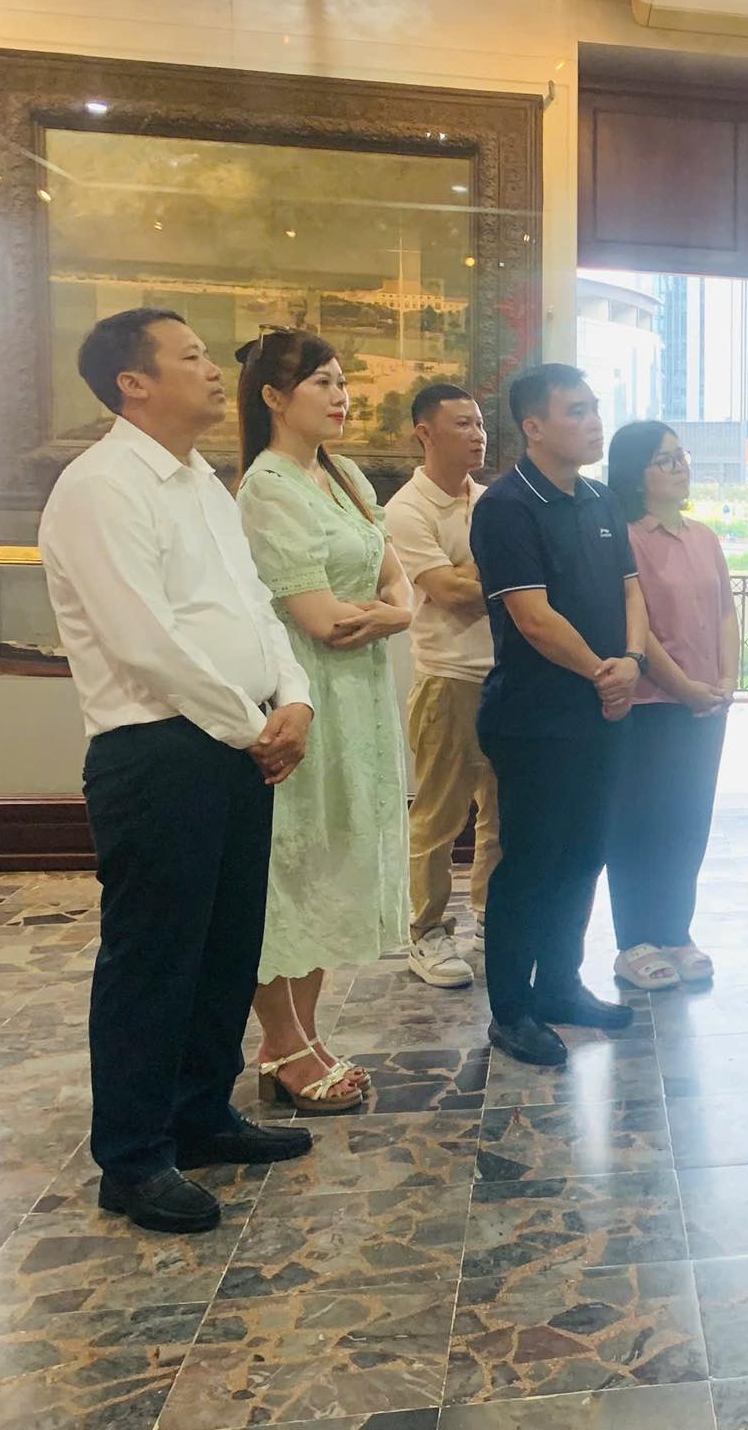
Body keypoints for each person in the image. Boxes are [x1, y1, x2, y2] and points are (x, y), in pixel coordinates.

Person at [39, 309, 316, 1234]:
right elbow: (143, 639)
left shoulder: (203, 481)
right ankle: (132, 1157)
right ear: (134, 383)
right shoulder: (101, 486)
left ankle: (201, 1115)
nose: (211, 369)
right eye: (191, 356)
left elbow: (254, 605)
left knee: (227, 945)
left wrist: (293, 696)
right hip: (157, 751)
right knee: (154, 958)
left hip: (238, 742)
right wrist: (253, 726)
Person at [234, 329, 414, 1114]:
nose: (340, 397)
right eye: (322, 383)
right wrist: (392, 615)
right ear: (275, 398)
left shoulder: (341, 474)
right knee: (292, 871)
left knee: (334, 866)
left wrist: (395, 612)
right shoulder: (268, 488)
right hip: (307, 697)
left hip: (361, 699)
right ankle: (282, 1043)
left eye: (342, 381)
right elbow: (321, 620)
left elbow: (397, 577)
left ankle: (301, 1036)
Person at [469, 364, 647, 1066]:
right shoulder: (507, 506)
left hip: (602, 711)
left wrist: (632, 661)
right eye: (576, 411)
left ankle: (561, 987)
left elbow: (631, 590)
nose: (593, 421)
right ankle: (512, 1011)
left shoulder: (601, 499)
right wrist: (604, 672)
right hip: (535, 718)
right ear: (534, 426)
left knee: (583, 855)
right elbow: (533, 618)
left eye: (595, 407)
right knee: (531, 863)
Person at [603, 422, 736, 992]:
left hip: (706, 706)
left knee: (688, 820)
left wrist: (726, 680)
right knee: (640, 823)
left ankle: (676, 931)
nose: (680, 468)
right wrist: (683, 686)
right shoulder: (625, 538)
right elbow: (636, 627)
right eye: (665, 460)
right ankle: (635, 942)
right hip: (652, 704)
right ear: (636, 474)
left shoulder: (704, 537)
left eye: (681, 457)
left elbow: (725, 611)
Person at [384, 383, 498, 990]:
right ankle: (426, 931)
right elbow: (450, 593)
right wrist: (498, 570)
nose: (477, 435)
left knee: (502, 812)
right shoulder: (407, 509)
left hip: (504, 676)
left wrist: (473, 573)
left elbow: (524, 579)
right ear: (424, 432)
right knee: (438, 816)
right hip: (447, 678)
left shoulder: (490, 500)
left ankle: (490, 917)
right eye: (462, 424)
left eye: (479, 423)